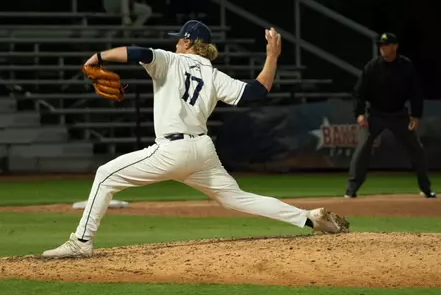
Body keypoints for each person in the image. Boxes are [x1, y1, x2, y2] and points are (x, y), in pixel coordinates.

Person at [42, 20, 349, 258]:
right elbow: (256, 91)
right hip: (202, 151)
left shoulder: (170, 60)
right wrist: (272, 56)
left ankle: (81, 242)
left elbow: (137, 52)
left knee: (105, 174)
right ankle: (311, 219)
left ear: (188, 42)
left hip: (172, 150)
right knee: (236, 198)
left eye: (179, 38)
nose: (176, 42)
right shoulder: (213, 74)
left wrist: (98, 57)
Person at [345, 32, 436, 199]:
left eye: (385, 45)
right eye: (380, 45)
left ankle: (426, 188)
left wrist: (416, 116)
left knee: (416, 149)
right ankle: (351, 190)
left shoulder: (405, 66)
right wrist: (359, 113)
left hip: (399, 115)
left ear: (395, 46)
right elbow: (359, 92)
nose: (382, 47)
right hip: (376, 114)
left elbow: (416, 92)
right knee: (363, 147)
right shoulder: (372, 67)